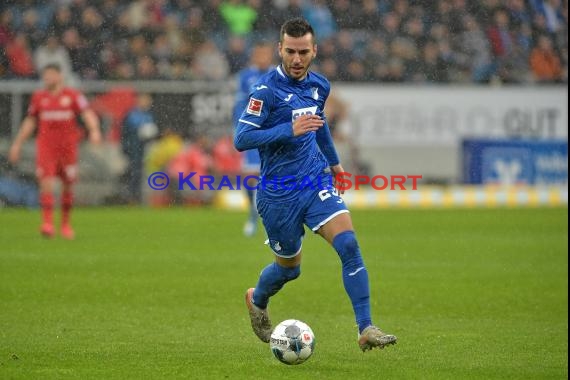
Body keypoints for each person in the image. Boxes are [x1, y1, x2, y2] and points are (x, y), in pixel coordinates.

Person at [234, 18, 397, 352]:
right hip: (278, 193)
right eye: (290, 51)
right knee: (289, 270)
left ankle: (365, 327)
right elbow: (242, 138)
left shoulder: (320, 85)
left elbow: (318, 125)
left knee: (349, 245)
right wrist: (288, 130)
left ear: (314, 51)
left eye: (303, 52)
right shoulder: (265, 91)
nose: (296, 59)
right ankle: (258, 299)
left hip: (315, 180)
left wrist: (334, 163)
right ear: (280, 49)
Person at [8, 63, 101, 239]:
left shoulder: (72, 96)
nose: (47, 79)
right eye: (45, 75)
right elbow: (30, 121)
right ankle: (48, 223)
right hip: (46, 148)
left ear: (60, 76)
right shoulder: (39, 97)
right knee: (46, 184)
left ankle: (65, 225)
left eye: (51, 75)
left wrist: (94, 130)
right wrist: (17, 143)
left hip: (67, 149)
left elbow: (87, 113)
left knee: (68, 186)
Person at [232, 41, 274, 237]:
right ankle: (252, 213)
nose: (263, 58)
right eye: (260, 54)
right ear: (254, 56)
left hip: (273, 133)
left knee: (274, 176)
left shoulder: (278, 75)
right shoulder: (245, 77)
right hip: (252, 133)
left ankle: (272, 217)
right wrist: (240, 127)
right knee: (249, 177)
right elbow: (239, 104)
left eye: (266, 54)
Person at [121, 93, 158, 204]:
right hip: (133, 149)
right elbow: (128, 132)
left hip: (145, 150)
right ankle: (132, 197)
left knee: (142, 173)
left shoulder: (149, 115)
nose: (146, 102)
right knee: (134, 172)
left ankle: (139, 197)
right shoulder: (132, 114)